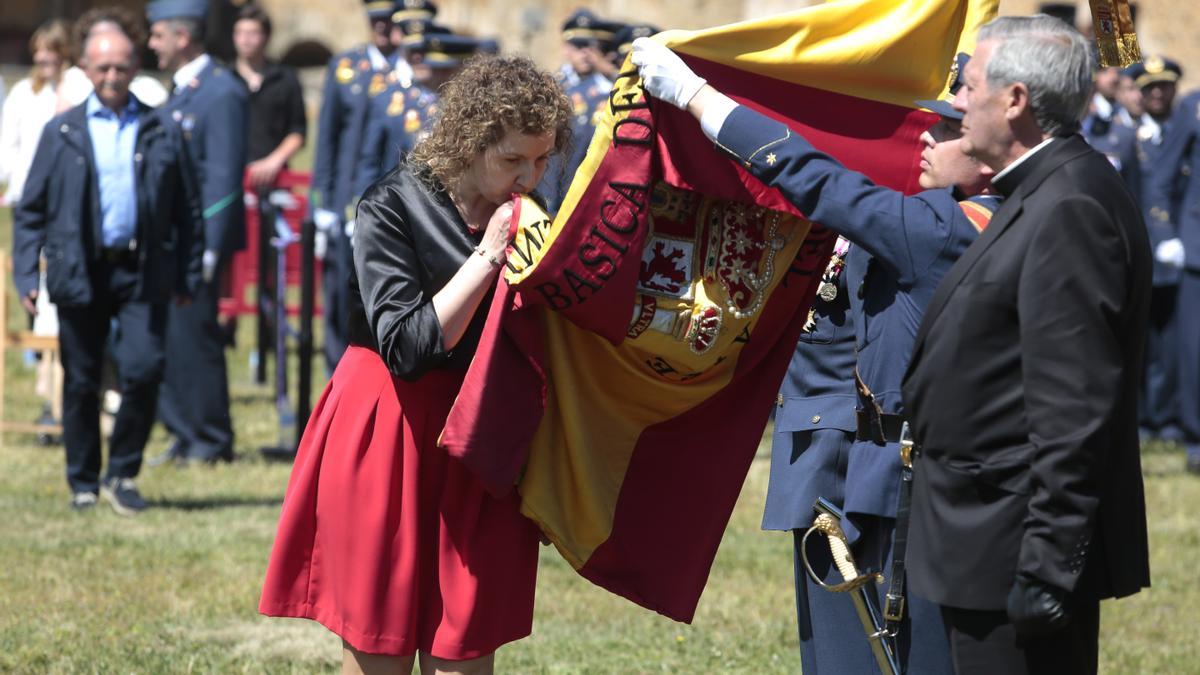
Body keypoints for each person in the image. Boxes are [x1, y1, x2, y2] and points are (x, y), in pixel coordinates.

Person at [632, 40, 997, 674]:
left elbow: (823, 183)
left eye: (948, 127)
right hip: (891, 463)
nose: (925, 139)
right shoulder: (1021, 217)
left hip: (902, 480)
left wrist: (696, 98)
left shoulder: (945, 227)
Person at [259, 55, 571, 675]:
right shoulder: (390, 205)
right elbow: (406, 346)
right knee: (382, 644)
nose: (529, 177)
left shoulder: (532, 208)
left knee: (465, 643)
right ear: (471, 141)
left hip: (481, 431)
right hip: (389, 425)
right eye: (513, 159)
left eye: (541, 160)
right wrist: (487, 258)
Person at [900, 16, 1150, 673]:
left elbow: (1073, 408)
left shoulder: (1069, 205)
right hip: (988, 545)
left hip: (1015, 553)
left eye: (970, 85)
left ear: (1014, 100)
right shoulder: (1040, 189)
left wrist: (1047, 567)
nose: (957, 102)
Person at [12, 23, 202, 514]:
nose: (113, 75)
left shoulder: (160, 127)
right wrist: (27, 276)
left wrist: (188, 272)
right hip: (81, 269)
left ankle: (123, 474)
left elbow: (188, 208)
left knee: (143, 369)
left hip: (143, 270)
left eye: (121, 66)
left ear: (136, 69)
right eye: (103, 67)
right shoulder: (63, 132)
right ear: (86, 70)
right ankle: (83, 482)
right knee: (80, 379)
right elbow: (30, 209)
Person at [146, 0, 249, 465]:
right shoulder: (185, 90)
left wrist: (208, 247)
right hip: (172, 241)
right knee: (172, 337)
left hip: (197, 242)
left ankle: (209, 436)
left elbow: (225, 178)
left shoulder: (220, 91)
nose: (152, 44)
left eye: (157, 34)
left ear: (181, 37)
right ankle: (183, 430)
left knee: (197, 338)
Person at [311, 0, 421, 373]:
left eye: (389, 21)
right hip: (348, 194)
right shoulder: (347, 68)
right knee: (341, 287)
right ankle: (334, 367)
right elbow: (327, 140)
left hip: (395, 198)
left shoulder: (412, 74)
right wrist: (322, 204)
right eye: (375, 20)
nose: (382, 27)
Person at [1128, 57, 1185, 446]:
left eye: (1164, 87)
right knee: (1137, 339)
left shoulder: (1186, 134)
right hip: (1138, 251)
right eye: (1151, 88)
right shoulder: (1126, 136)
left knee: (1172, 342)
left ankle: (1167, 417)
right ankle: (1140, 417)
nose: (1159, 94)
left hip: (1180, 252)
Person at [1147, 78, 1200, 474]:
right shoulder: (1193, 107)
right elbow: (1161, 178)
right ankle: (1195, 436)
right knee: (1193, 351)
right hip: (1197, 249)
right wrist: (1166, 235)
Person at [356, 28, 477, 195]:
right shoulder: (402, 103)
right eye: (436, 69)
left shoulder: (471, 112)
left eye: (446, 70)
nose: (440, 77)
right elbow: (371, 162)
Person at [536, 8, 616, 214]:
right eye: (579, 46)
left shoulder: (609, 87)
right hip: (549, 187)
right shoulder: (550, 85)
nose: (585, 53)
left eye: (591, 46)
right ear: (566, 47)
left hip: (588, 192)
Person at [232, 3, 306, 192]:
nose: (245, 40)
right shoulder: (224, 79)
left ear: (266, 37)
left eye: (252, 33)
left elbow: (298, 130)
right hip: (232, 177)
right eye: (239, 33)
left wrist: (273, 162)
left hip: (274, 178)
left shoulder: (285, 78)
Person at [0, 20, 71, 208]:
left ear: (64, 52)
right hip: (26, 191)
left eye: (49, 50)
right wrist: (16, 179)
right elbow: (8, 142)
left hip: (64, 195)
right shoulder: (23, 92)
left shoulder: (77, 89)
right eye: (37, 50)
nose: (41, 57)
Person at [58, 7, 169, 109]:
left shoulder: (151, 92)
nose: (112, 77)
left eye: (121, 68)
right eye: (103, 68)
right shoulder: (72, 84)